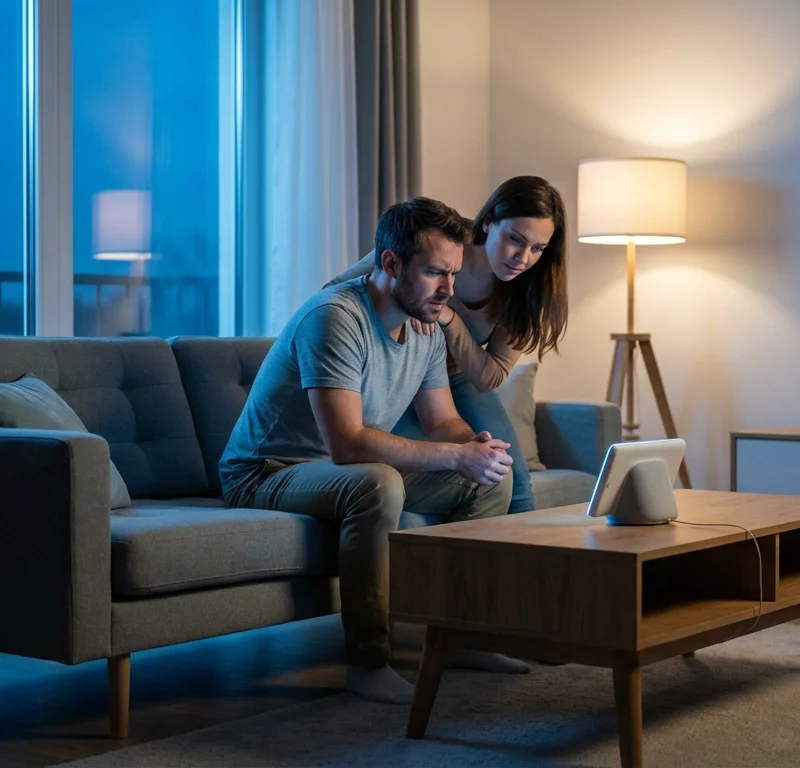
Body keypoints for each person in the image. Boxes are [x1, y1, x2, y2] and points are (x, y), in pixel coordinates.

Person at [219, 196, 530, 705]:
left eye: (452, 274)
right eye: (434, 273)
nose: (448, 290)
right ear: (390, 263)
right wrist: (452, 457)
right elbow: (348, 444)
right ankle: (367, 663)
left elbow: (442, 420)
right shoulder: (335, 318)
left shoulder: (428, 323)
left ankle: (461, 636)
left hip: (334, 471)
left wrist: (472, 446)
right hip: (267, 472)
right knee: (377, 480)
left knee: (494, 474)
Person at [325, 176, 569, 514]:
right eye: (515, 239)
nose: (523, 258)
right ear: (488, 223)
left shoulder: (527, 292)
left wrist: (449, 320)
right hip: (400, 363)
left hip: (457, 376)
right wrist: (400, 305)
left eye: (538, 248)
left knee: (505, 469)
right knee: (408, 459)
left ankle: (520, 559)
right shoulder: (441, 241)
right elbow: (338, 287)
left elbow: (490, 377)